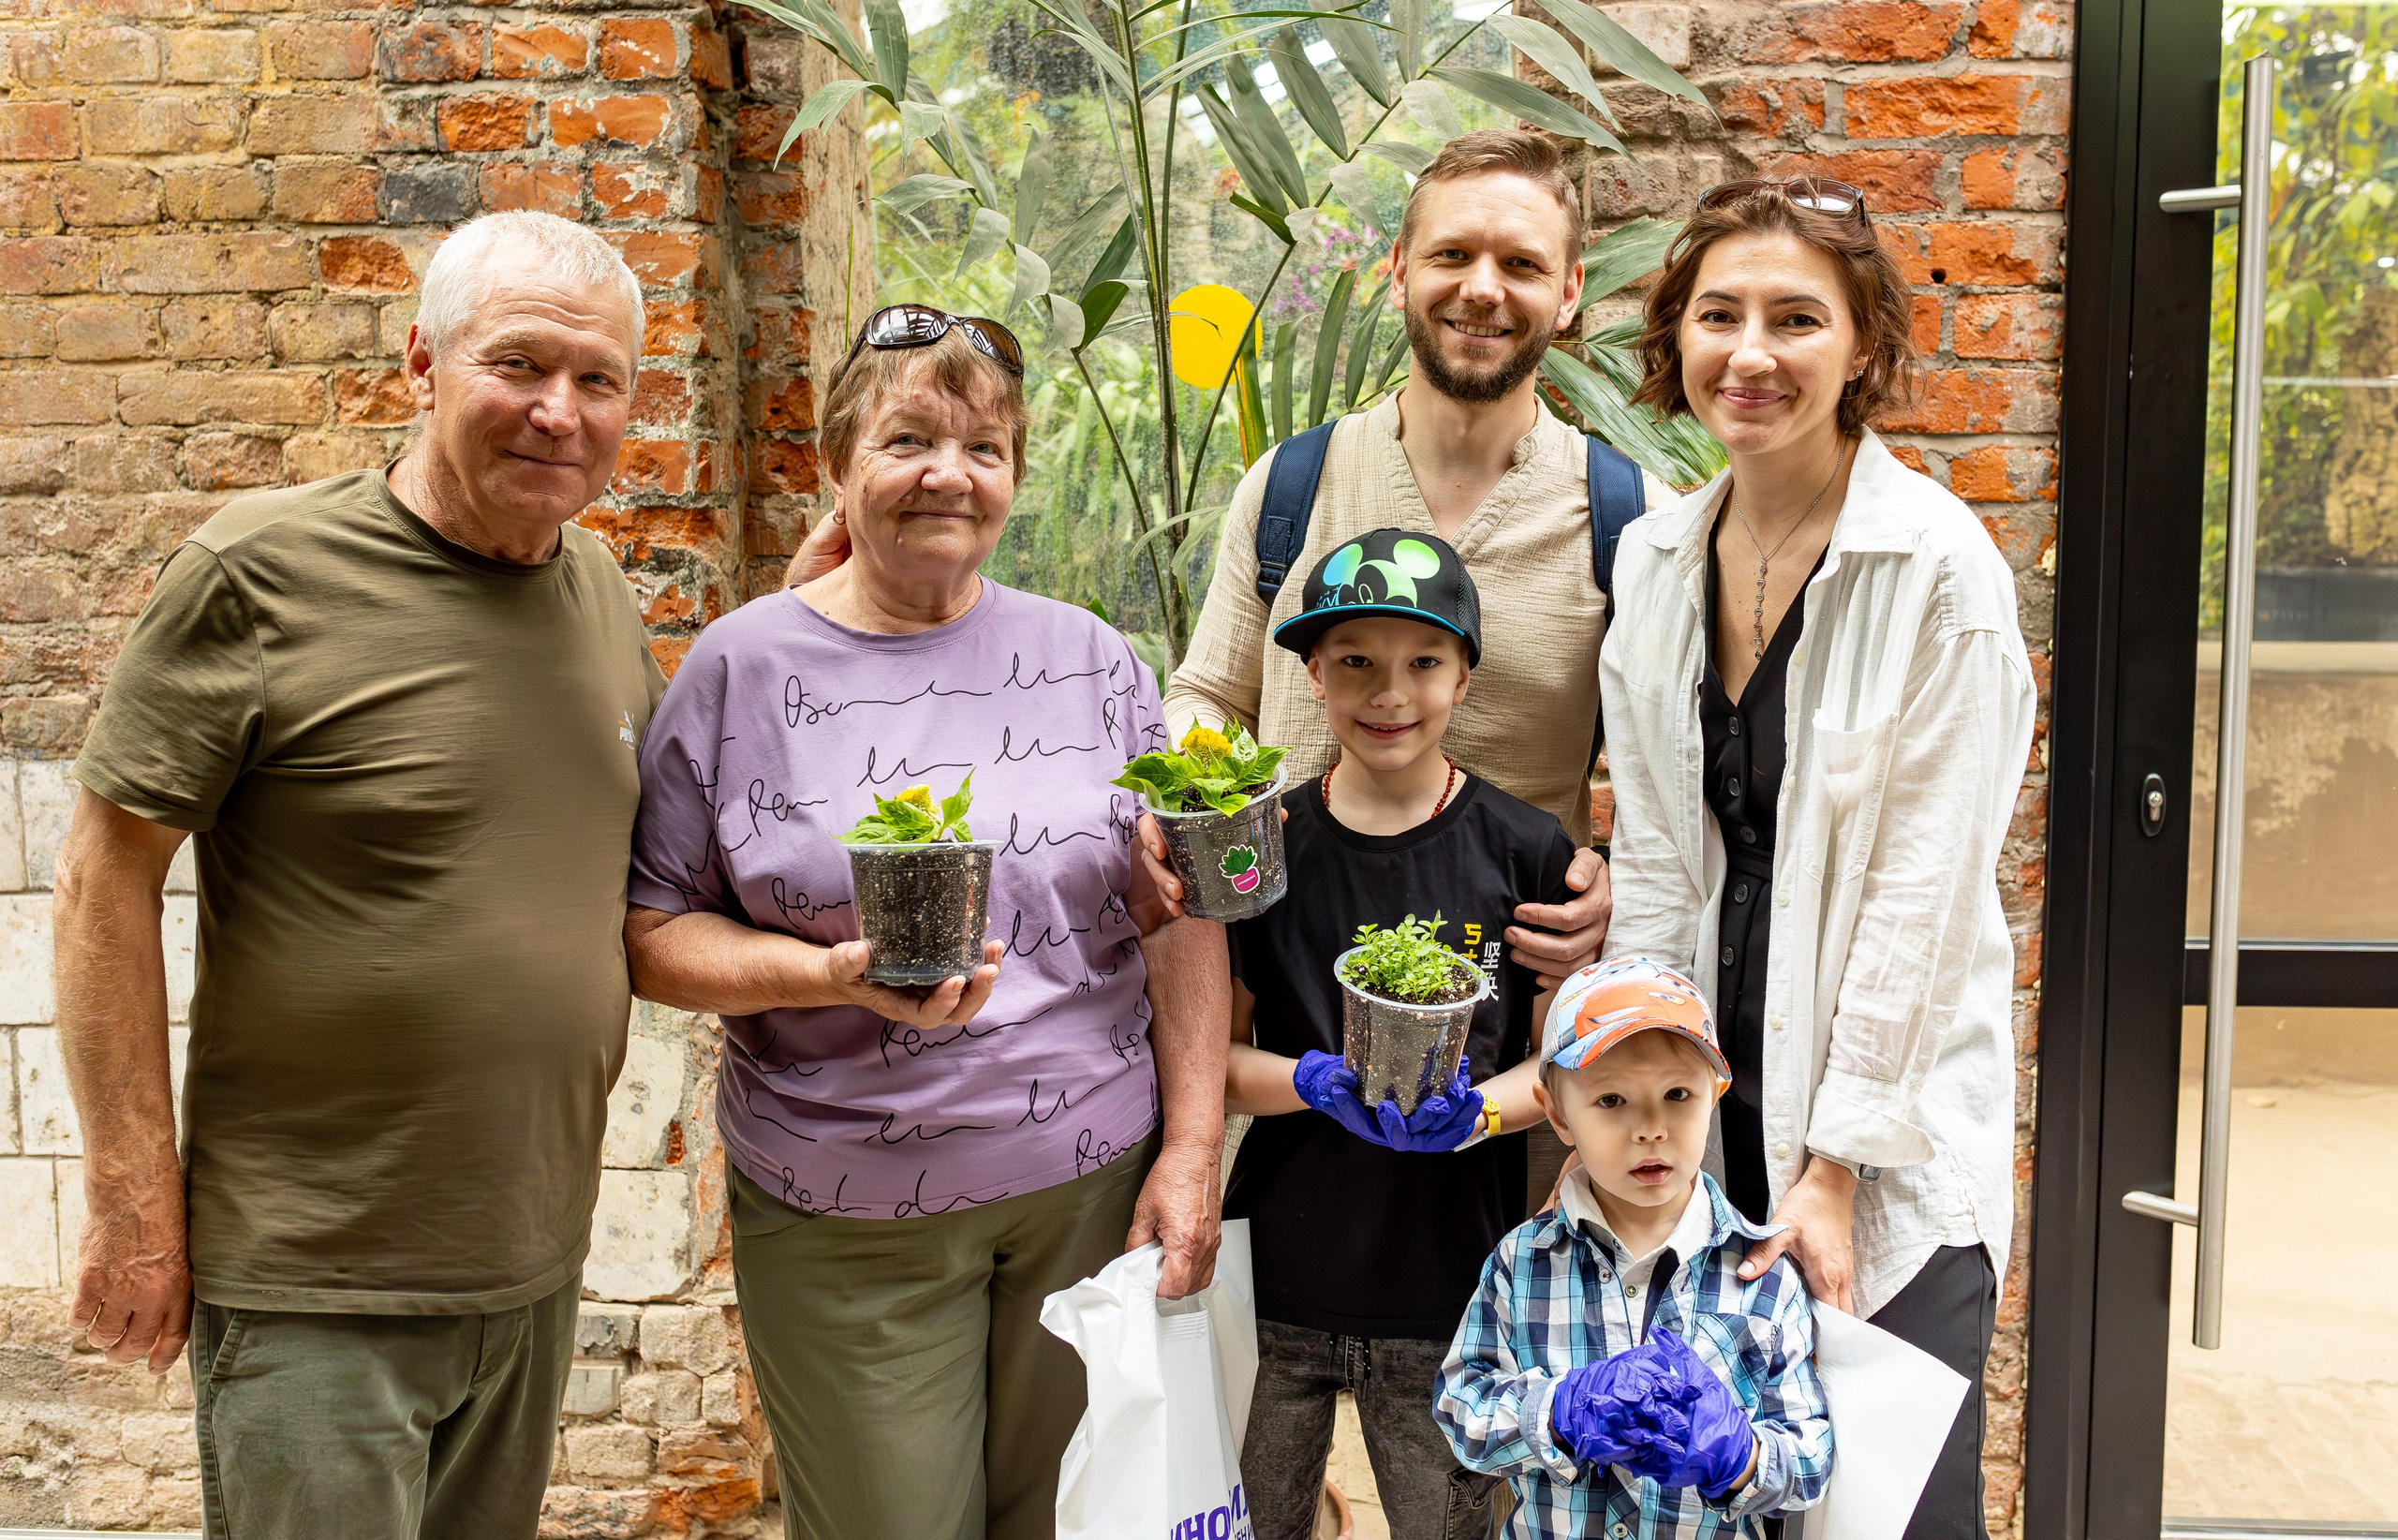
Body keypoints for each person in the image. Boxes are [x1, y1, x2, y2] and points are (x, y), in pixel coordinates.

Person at [52, 210, 664, 1539]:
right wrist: (131, 1202)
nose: (560, 412)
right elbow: (104, 881)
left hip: (528, 1266)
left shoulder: (604, 596)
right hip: (317, 1281)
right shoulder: (257, 575)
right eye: (519, 366)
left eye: (598, 380)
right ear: (421, 365)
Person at [621, 304, 1228, 1540]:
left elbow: (1178, 920)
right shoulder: (738, 673)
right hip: (848, 1215)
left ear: (1012, 477)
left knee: (1074, 1522)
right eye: (908, 439)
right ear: (837, 463)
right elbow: (651, 935)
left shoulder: (1096, 662)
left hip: (1086, 1195)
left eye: (984, 448)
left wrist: (1192, 1148)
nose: (949, 473)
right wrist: (821, 975)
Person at [1600, 177, 2037, 1535]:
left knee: (1881, 1511)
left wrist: (1834, 1168)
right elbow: (1664, 866)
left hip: (1882, 1151)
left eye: (1798, 318)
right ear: (1676, 339)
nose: (1752, 352)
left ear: (1863, 349)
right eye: (1719, 314)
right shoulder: (1659, 557)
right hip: (1709, 1122)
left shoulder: (1939, 572)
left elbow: (1923, 897)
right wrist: (1627, 1102)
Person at [1152, 128, 1676, 1006]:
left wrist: (1625, 880)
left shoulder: (1632, 522)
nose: (1482, 288)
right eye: (1452, 254)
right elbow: (1205, 694)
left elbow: (1681, 778)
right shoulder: (1293, 484)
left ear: (1571, 291)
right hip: (1290, 1029)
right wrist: (1192, 805)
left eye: (1521, 263)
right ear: (1399, 271)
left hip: (1517, 1045)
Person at [1217, 529, 1579, 1540]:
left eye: (1422, 662)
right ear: (1312, 675)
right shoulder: (1266, 854)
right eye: (1356, 664)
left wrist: (1474, 1118)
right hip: (1275, 1282)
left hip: (1447, 1291)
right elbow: (1215, 1061)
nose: (1390, 693)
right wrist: (1310, 1081)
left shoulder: (1527, 851)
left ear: (1465, 674)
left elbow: (1559, 1073)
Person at [1434, 958, 1832, 1538]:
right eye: (1611, 1101)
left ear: (1715, 1094)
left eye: (1677, 1094)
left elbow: (1812, 1461)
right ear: (1557, 1113)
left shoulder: (1764, 1278)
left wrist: (1742, 1457)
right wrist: (1558, 1411)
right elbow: (1460, 1408)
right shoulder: (1520, 1265)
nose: (1650, 1127)